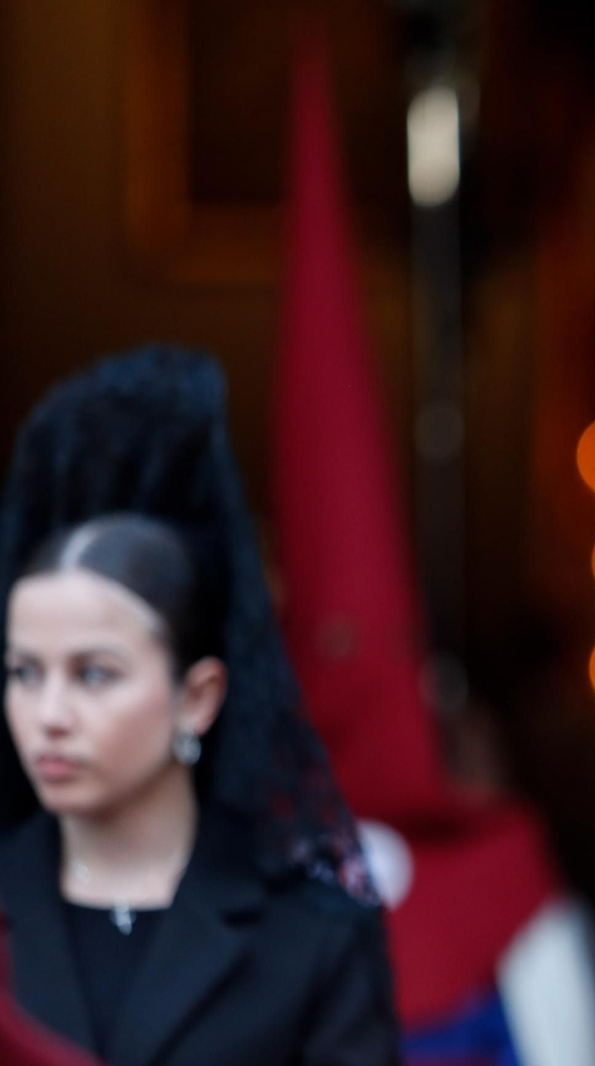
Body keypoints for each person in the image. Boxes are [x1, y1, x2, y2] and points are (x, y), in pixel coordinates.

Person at [0, 348, 401, 1066]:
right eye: (24, 673)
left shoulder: (309, 939)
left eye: (95, 674)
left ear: (198, 697)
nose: (48, 712)